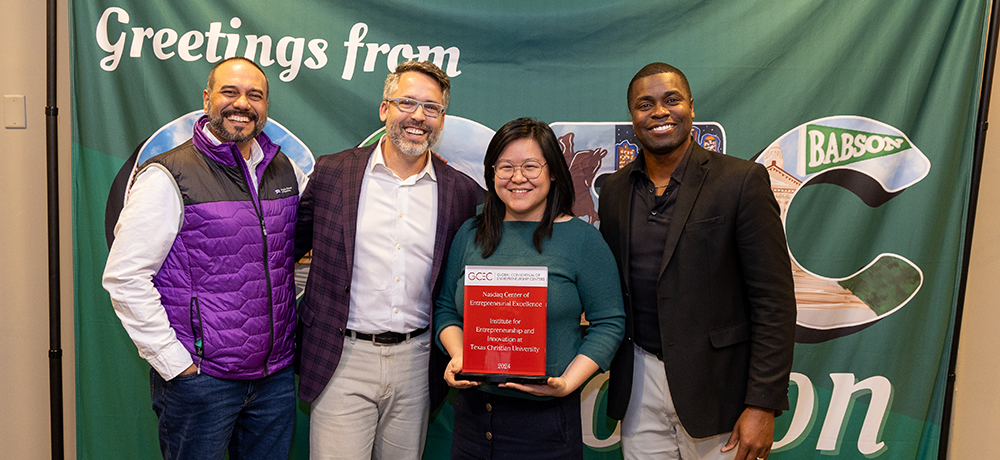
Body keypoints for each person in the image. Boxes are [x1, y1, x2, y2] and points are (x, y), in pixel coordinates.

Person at [102, 57, 308, 460]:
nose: (242, 104)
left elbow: (287, 260)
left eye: (255, 95)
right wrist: (175, 363)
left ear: (266, 106)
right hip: (203, 381)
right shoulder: (169, 175)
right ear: (207, 98)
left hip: (274, 380)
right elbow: (126, 277)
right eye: (230, 92)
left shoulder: (282, 169)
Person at [598, 62, 796, 460]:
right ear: (632, 117)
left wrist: (762, 404)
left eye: (671, 100)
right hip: (638, 384)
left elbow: (773, 302)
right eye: (644, 104)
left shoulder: (741, 181)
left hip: (719, 390)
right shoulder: (615, 189)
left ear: (691, 106)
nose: (659, 112)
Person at [295, 60, 480, 460]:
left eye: (431, 108)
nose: (418, 116)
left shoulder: (461, 192)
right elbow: (288, 248)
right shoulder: (332, 172)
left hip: (419, 361)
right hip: (340, 356)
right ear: (384, 109)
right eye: (407, 102)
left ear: (442, 119)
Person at [435, 118, 626, 459]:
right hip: (473, 419)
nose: (517, 177)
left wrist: (567, 382)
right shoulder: (469, 233)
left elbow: (609, 322)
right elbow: (447, 309)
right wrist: (459, 354)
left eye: (531, 166)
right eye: (505, 166)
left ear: (553, 172)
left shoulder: (583, 240)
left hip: (547, 424)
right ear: (491, 174)